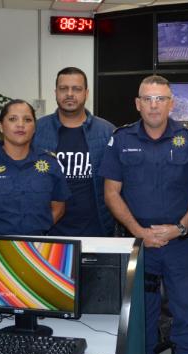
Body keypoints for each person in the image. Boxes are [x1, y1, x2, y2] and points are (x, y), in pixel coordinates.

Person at [98, 75, 188, 354]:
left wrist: (181, 228)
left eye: (161, 99)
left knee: (187, 309)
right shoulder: (121, 139)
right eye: (148, 98)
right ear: (138, 103)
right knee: (141, 313)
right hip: (140, 245)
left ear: (171, 103)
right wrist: (139, 231)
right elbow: (111, 193)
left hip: (179, 243)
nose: (154, 105)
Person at [0, 100, 70, 235]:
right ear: (1, 126)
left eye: (27, 120)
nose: (20, 125)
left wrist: (38, 232)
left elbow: (58, 208)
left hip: (37, 248)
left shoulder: (50, 163)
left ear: (34, 128)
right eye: (12, 119)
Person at [34, 67, 116, 237]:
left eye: (76, 89)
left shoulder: (107, 132)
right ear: (56, 92)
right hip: (48, 231)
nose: (69, 94)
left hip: (96, 231)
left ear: (86, 93)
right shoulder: (36, 130)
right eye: (63, 89)